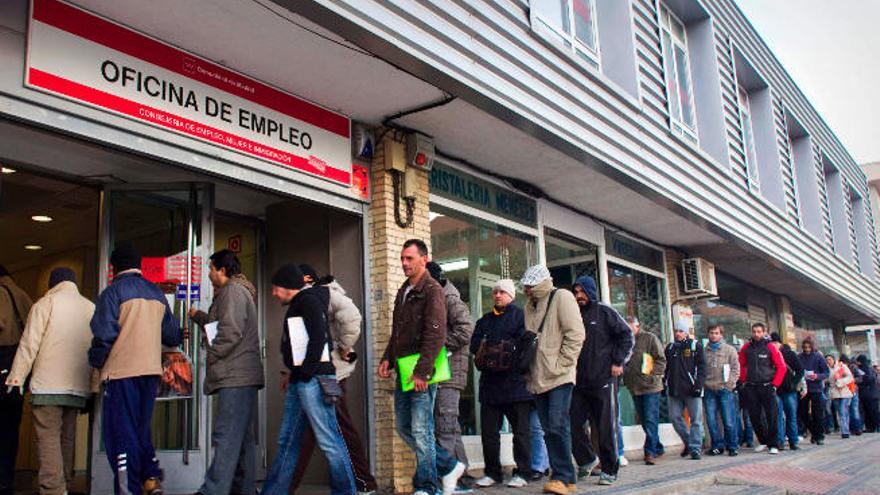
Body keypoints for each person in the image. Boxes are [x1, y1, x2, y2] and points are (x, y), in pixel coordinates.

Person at [89, 244, 183, 495]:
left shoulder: (112, 293)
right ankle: (150, 477)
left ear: (114, 268)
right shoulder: (156, 293)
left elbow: (103, 336)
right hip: (150, 372)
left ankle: (128, 489)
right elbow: (173, 334)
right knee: (141, 429)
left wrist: (95, 360)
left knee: (121, 434)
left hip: (121, 372)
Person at [378, 240, 465, 495]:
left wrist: (423, 372)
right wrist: (388, 358)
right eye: (402, 258)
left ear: (424, 260)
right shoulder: (404, 290)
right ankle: (448, 465)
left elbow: (435, 334)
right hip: (404, 368)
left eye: (409, 258)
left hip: (421, 371)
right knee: (404, 426)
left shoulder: (432, 290)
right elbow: (398, 333)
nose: (404, 263)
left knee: (421, 427)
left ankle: (427, 486)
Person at [261, 264, 355, 495]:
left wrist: (304, 373)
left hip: (314, 380)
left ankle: (346, 492)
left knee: (329, 441)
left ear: (287, 287)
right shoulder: (300, 303)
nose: (273, 293)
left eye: (276, 288)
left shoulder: (309, 301)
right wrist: (295, 375)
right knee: (288, 441)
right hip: (302, 380)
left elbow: (318, 339)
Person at [4, 268, 93, 495]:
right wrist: (93, 385)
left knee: (48, 439)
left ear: (52, 284)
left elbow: (29, 345)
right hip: (77, 386)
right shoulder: (90, 307)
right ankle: (65, 484)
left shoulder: (45, 304)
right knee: (67, 438)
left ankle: (53, 489)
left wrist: (16, 378)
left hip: (47, 385)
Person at [289, 266, 377, 495]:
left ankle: (364, 482)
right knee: (305, 433)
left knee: (337, 429)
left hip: (332, 376)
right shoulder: (310, 297)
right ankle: (283, 486)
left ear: (307, 278)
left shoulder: (326, 293)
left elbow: (352, 316)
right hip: (317, 374)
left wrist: (342, 347)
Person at [188, 250, 264, 495]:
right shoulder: (237, 292)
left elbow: (229, 332)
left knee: (227, 435)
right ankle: (243, 489)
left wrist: (212, 354)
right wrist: (198, 316)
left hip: (236, 375)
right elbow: (218, 325)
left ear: (222, 270)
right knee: (242, 440)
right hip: (243, 375)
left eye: (211, 268)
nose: (209, 274)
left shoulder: (232, 291)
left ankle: (212, 490)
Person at [521, 265, 584, 495]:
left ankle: (563, 477)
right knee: (550, 429)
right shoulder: (529, 305)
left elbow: (575, 334)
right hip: (537, 377)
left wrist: (562, 365)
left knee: (557, 425)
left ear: (539, 284)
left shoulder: (562, 297)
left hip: (559, 376)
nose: (526, 290)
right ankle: (565, 478)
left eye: (529, 286)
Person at [569, 275, 633, 486]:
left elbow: (626, 336)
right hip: (578, 382)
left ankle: (609, 469)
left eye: (582, 291)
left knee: (605, 427)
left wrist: (618, 361)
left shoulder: (605, 312)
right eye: (576, 292)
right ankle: (587, 460)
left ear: (591, 291)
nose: (579, 296)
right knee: (573, 423)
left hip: (603, 379)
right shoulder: (572, 315)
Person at [469, 279, 533, 488]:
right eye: (495, 292)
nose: (497, 295)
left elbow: (527, 347)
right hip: (490, 385)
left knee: (521, 433)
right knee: (489, 434)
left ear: (511, 296)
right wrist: (489, 350)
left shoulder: (521, 317)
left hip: (516, 386)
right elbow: (474, 345)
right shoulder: (484, 321)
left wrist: (506, 352)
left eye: (502, 292)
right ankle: (492, 473)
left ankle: (523, 472)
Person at [426, 262, 473, 487]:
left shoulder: (450, 299)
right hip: (440, 372)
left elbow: (465, 330)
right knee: (449, 425)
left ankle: (444, 477)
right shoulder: (437, 298)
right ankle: (462, 473)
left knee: (444, 424)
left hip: (451, 372)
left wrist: (438, 344)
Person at [0, 265, 33, 495]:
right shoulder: (23, 295)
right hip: (17, 373)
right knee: (10, 428)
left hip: (2, 368)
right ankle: (6, 478)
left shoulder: (1, 293)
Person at [623, 316, 666, 465]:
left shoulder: (649, 338)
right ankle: (658, 446)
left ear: (637, 326)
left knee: (650, 418)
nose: (628, 331)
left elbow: (660, 359)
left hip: (651, 387)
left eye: (630, 328)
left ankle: (650, 452)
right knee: (644, 420)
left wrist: (654, 377)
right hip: (634, 387)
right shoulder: (625, 340)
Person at [737, 323, 786, 454]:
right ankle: (763, 441)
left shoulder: (770, 347)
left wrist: (775, 385)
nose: (756, 334)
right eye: (754, 331)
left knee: (772, 416)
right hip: (751, 387)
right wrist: (742, 381)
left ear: (764, 332)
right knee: (754, 416)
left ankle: (773, 444)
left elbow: (782, 367)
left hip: (768, 386)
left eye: (759, 331)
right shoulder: (746, 348)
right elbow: (740, 365)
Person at [663, 320, 705, 460]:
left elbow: (702, 367)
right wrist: (665, 383)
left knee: (696, 420)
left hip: (692, 389)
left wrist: (698, 385)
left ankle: (695, 448)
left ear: (686, 332)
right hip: (675, 389)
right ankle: (689, 441)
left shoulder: (695, 346)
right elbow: (666, 368)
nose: (678, 333)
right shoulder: (670, 348)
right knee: (674, 417)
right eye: (676, 331)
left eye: (681, 331)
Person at [702, 325, 740, 456]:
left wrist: (729, 385)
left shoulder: (729, 350)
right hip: (709, 389)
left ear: (721, 335)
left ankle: (732, 446)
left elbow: (735, 369)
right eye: (711, 333)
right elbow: (700, 369)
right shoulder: (703, 351)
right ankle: (717, 445)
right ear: (708, 334)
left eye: (716, 333)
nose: (713, 335)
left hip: (724, 389)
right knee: (711, 421)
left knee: (728, 420)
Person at [769, 333, 804, 451]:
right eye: (771, 343)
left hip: (789, 391)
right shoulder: (770, 355)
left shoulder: (790, 354)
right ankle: (780, 442)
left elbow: (800, 370)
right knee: (777, 417)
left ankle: (793, 441)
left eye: (774, 343)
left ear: (779, 343)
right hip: (775, 390)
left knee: (791, 416)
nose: (773, 345)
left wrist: (793, 383)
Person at [798, 338, 830, 445]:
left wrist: (817, 376)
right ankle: (814, 432)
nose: (807, 349)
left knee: (818, 413)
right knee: (802, 412)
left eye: (809, 347)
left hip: (816, 388)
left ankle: (819, 436)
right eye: (805, 347)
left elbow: (826, 372)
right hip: (803, 388)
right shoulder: (800, 357)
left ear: (812, 347)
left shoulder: (818, 357)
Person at [829, 354, 855, 439]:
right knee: (841, 412)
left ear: (834, 359)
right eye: (827, 360)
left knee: (842, 411)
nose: (828, 361)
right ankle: (846, 428)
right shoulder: (827, 369)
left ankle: (845, 432)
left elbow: (850, 377)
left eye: (829, 359)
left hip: (845, 392)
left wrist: (840, 382)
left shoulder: (841, 366)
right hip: (835, 394)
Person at [856, 355, 879, 432]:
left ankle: (872, 427)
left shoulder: (863, 369)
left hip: (867, 394)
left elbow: (866, 379)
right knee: (873, 411)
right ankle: (875, 427)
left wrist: (860, 382)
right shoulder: (870, 368)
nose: (857, 363)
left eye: (858, 361)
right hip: (873, 394)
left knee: (869, 411)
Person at [843, 355, 865, 435]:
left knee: (854, 409)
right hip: (844, 392)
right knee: (847, 410)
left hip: (853, 390)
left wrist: (851, 379)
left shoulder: (852, 367)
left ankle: (858, 428)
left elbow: (860, 378)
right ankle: (851, 428)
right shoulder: (840, 369)